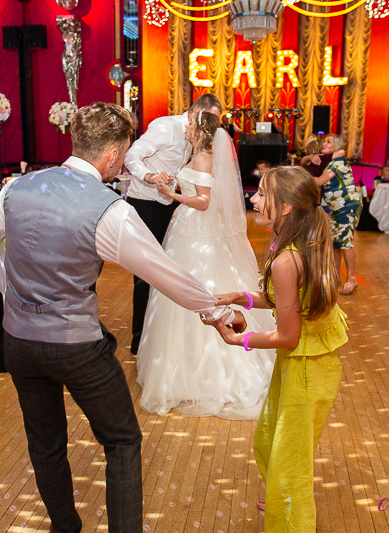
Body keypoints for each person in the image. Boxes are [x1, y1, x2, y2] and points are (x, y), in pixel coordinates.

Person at [0, 102, 242, 532]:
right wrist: (214, 311)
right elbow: (164, 272)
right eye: (124, 152)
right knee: (122, 441)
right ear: (112, 155)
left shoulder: (16, 188)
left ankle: (65, 527)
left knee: (45, 444)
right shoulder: (110, 210)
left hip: (20, 343)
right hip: (77, 347)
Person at [205, 165, 348, 533]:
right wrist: (241, 297)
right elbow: (286, 299)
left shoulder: (286, 259)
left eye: (262, 194)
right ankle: (279, 496)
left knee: (291, 469)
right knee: (269, 437)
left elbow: (287, 336)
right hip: (305, 365)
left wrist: (241, 340)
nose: (254, 198)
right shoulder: (299, 242)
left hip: (306, 369)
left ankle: (290, 519)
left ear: (284, 207)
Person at [137, 111, 276, 419]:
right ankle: (182, 367)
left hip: (195, 230)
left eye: (189, 124)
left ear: (198, 129)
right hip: (188, 229)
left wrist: (172, 194)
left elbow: (204, 201)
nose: (185, 128)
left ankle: (204, 373)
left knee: (195, 284)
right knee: (180, 288)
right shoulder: (198, 156)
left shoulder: (202, 158)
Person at [123, 94, 223, 355]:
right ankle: (139, 339)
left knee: (167, 271)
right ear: (194, 115)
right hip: (145, 204)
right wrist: (149, 175)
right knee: (146, 272)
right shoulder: (165, 128)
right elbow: (132, 155)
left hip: (172, 208)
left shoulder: (196, 139)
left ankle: (161, 333)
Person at [317, 134, 362, 295]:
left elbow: (320, 181)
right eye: (324, 141)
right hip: (337, 208)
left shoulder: (338, 162)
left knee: (345, 242)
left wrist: (299, 177)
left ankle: (351, 279)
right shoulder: (330, 162)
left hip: (347, 205)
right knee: (336, 242)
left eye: (328, 142)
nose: (324, 144)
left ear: (337, 146)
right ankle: (335, 277)